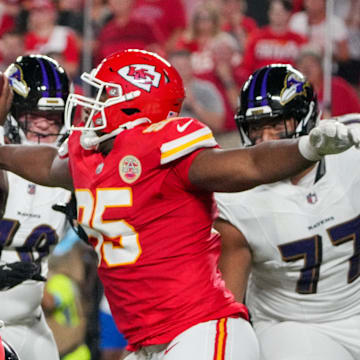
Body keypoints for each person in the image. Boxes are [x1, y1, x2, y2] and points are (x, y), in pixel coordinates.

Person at [0, 49, 357, 360]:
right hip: (147, 343)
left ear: (133, 104)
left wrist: (306, 148)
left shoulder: (167, 150)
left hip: (198, 329)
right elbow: (47, 165)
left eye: (106, 94)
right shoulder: (89, 156)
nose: (94, 103)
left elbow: (252, 163)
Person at [214, 64, 360, 360]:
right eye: (257, 128)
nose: (267, 139)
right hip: (294, 325)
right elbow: (227, 304)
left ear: (307, 120)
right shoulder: (236, 198)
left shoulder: (351, 147)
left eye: (278, 124)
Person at [0, 54, 71, 360]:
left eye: (53, 117)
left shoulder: (68, 163)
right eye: (34, 114)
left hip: (31, 322)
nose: (44, 123)